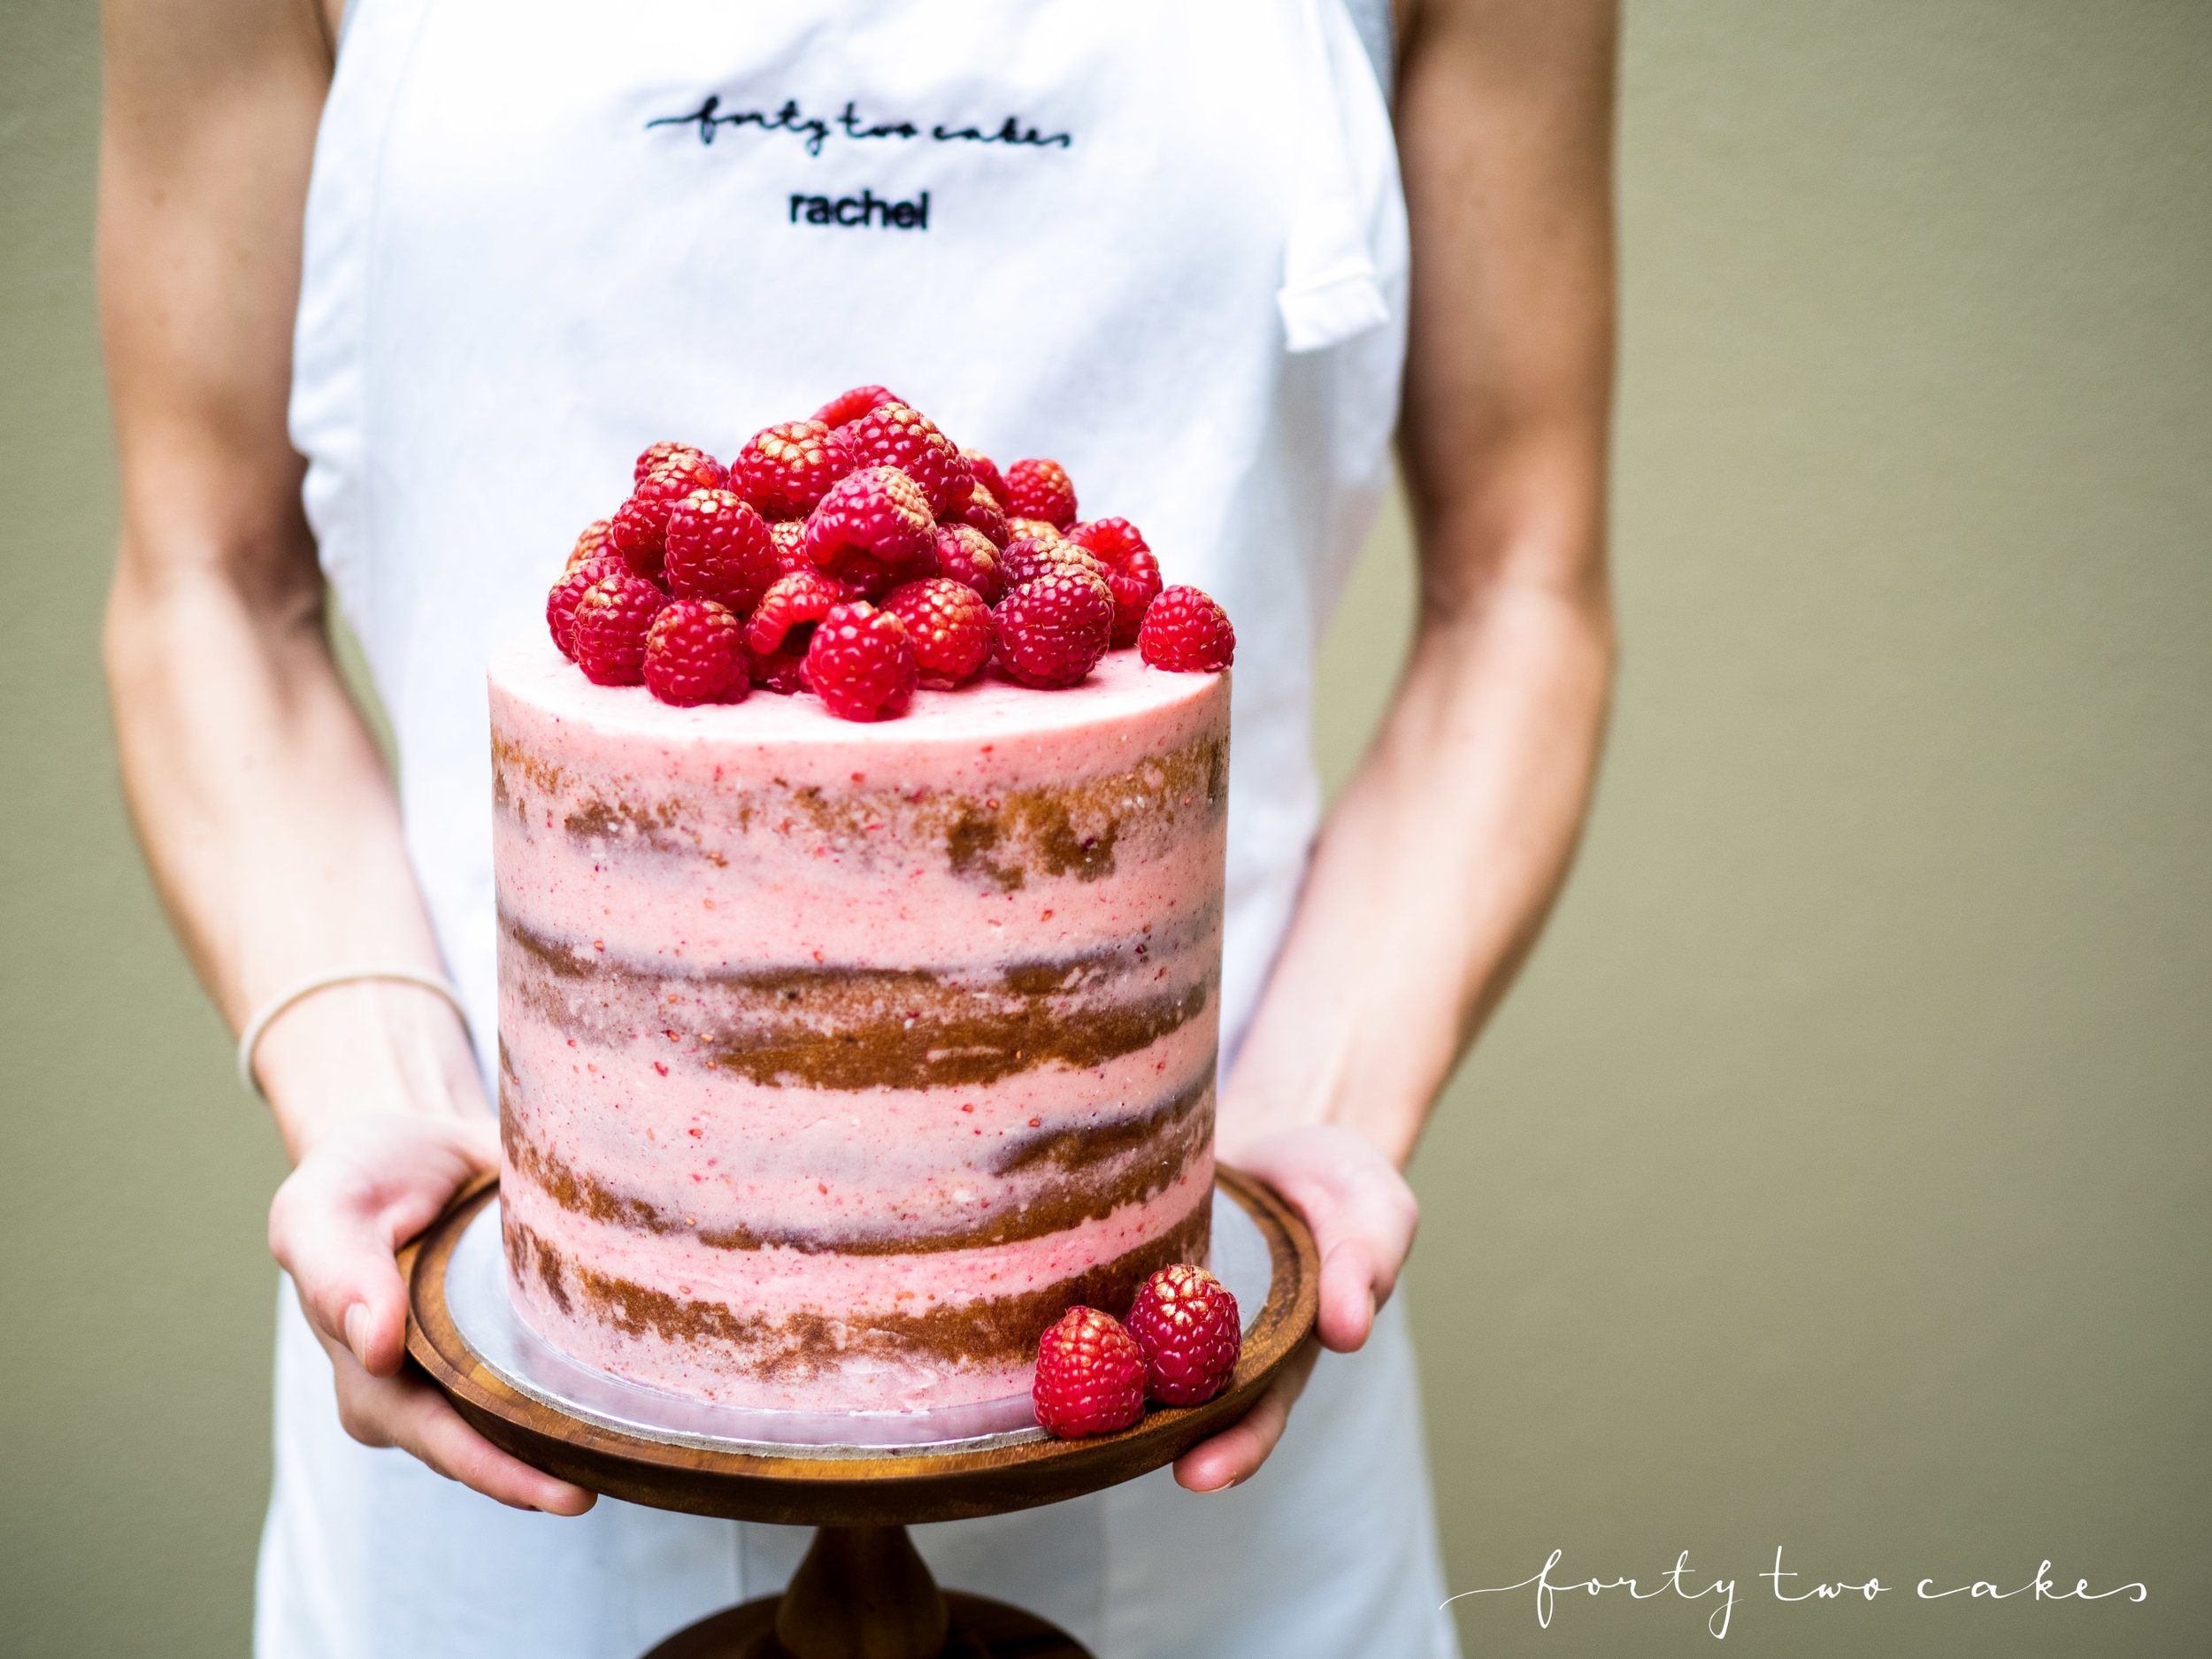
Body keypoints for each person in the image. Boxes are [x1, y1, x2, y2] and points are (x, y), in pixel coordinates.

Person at [100, 0, 1617, 1653]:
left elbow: (1519, 583)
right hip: (502, 1359)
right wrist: (376, 1085)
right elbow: (207, 581)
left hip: (1188, 1338)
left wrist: (1312, 1115)